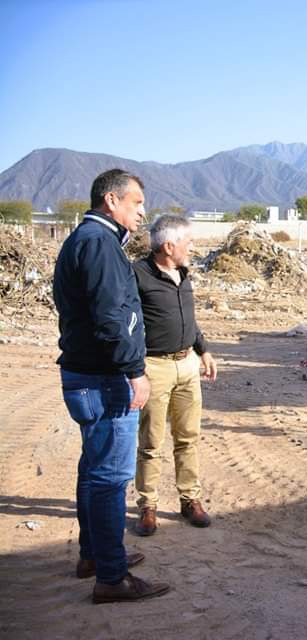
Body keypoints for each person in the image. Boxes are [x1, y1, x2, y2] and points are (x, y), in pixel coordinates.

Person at [54, 168, 170, 603]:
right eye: (136, 202)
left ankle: (94, 556)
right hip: (104, 380)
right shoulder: (98, 244)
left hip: (88, 376)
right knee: (109, 478)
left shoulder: (87, 241)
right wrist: (134, 371)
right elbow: (110, 320)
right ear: (112, 201)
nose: (143, 211)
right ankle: (111, 576)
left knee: (93, 470)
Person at [133, 214, 217, 536]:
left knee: (188, 438)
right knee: (151, 442)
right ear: (169, 245)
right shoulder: (138, 275)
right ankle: (148, 506)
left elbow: (190, 319)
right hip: (154, 367)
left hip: (187, 365)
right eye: (188, 242)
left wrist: (203, 349)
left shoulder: (184, 273)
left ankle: (190, 500)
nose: (192, 248)